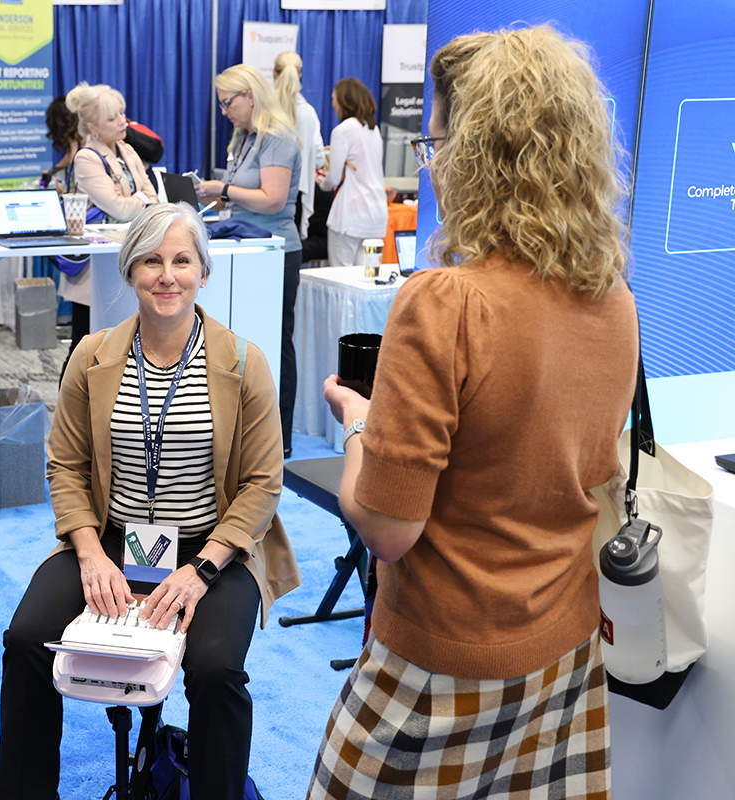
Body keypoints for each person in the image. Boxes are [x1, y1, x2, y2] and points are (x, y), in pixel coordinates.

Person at [308, 26, 638, 799]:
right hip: (564, 653)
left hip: (439, 667)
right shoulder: (614, 300)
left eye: (437, 142)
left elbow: (389, 530)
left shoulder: (448, 302)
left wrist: (358, 424)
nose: (433, 163)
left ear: (478, 151)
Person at [0, 202, 299, 800]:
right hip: (111, 539)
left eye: (182, 260)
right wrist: (89, 555)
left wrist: (201, 571)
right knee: (26, 639)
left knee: (215, 671)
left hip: (214, 549)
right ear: (130, 270)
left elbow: (263, 483)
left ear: (203, 273)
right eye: (152, 260)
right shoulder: (92, 355)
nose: (167, 274)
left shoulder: (244, 362)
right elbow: (66, 464)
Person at [195, 64, 303, 458]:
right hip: (249, 248)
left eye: (228, 103)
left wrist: (223, 188)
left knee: (275, 343)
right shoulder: (243, 138)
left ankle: (281, 438)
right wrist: (213, 194)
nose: (225, 112)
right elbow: (243, 193)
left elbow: (272, 199)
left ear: (251, 96)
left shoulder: (278, 137)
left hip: (277, 251)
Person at [59, 83, 160, 370]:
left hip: (128, 255)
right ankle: (70, 412)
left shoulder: (127, 150)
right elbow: (120, 207)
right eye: (112, 118)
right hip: (95, 266)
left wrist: (136, 199)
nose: (122, 122)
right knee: (84, 347)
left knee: (122, 347)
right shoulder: (87, 157)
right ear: (92, 126)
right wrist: (139, 198)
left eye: (122, 114)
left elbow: (153, 195)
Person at [319, 77, 388, 266]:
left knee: (341, 278)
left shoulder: (343, 130)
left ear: (344, 100)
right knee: (368, 278)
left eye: (334, 98)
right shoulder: (374, 130)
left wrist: (322, 183)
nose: (332, 103)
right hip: (376, 215)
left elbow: (333, 179)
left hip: (350, 214)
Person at [273, 52, 325, 242]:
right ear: (300, 74)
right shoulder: (309, 113)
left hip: (264, 194)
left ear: (273, 73)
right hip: (298, 194)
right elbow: (319, 158)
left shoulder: (265, 109)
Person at [41, 95, 81, 194]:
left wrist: (63, 191)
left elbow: (85, 189)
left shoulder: (85, 144)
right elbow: (68, 158)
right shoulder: (74, 142)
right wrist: (52, 172)